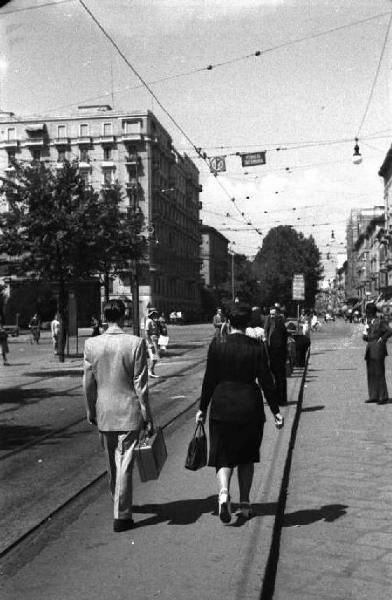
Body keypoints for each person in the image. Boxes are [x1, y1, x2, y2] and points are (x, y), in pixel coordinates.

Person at [196, 303, 283, 524]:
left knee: (223, 454)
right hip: (249, 406)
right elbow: (266, 381)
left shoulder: (217, 344)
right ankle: (244, 503)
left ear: (228, 321)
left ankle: (224, 492)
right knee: (246, 456)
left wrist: (202, 408)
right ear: (248, 323)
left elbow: (209, 380)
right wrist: (275, 410)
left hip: (222, 404)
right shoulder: (256, 347)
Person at [83, 299, 154, 532]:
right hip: (129, 410)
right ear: (124, 316)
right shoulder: (135, 343)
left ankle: (118, 501)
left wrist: (90, 409)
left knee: (111, 463)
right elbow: (140, 385)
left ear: (104, 317)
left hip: (104, 410)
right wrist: (147, 415)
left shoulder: (91, 344)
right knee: (124, 461)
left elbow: (88, 382)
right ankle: (122, 515)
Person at [362, 303, 392, 404]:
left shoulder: (380, 321)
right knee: (371, 373)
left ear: (372, 312)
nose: (366, 314)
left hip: (378, 349)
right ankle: (373, 395)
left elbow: (389, 331)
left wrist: (382, 339)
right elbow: (367, 337)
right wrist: (365, 335)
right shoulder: (369, 322)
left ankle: (383, 397)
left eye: (368, 312)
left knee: (379, 373)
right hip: (370, 349)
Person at [264, 304, 289, 406]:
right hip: (275, 352)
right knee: (279, 377)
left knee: (279, 378)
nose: (272, 316)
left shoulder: (279, 323)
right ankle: (281, 399)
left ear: (277, 314)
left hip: (277, 353)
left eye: (273, 314)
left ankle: (281, 399)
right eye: (271, 314)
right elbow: (266, 331)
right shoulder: (270, 320)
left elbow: (282, 339)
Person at [144, 308, 160, 377]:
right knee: (154, 356)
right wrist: (150, 343)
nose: (155, 315)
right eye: (153, 314)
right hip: (151, 340)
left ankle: (151, 371)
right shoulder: (149, 321)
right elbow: (146, 333)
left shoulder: (153, 321)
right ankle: (150, 371)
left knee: (155, 356)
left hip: (155, 340)